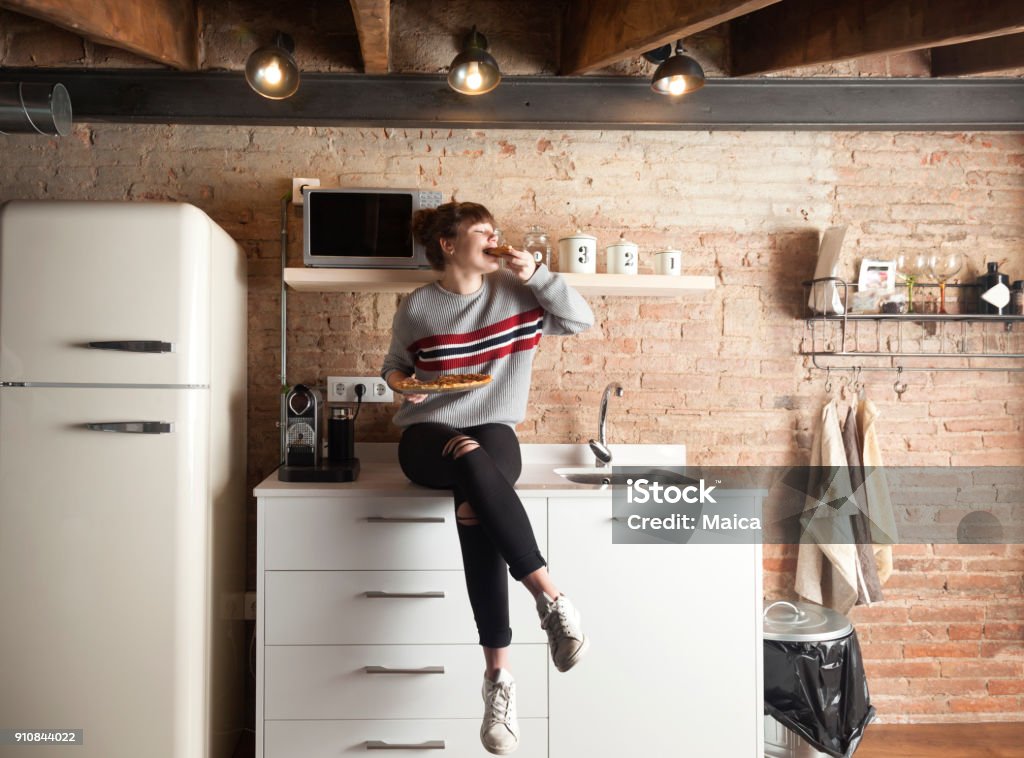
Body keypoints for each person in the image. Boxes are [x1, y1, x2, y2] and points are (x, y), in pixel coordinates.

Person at [381, 201, 594, 755]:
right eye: (482, 232)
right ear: (449, 245)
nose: (494, 238)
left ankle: (498, 681)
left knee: (475, 482)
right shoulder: (419, 307)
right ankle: (550, 597)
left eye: (494, 231)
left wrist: (540, 276)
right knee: (467, 459)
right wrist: (406, 385)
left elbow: (579, 321)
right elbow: (393, 366)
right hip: (427, 434)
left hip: (494, 430)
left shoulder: (517, 291)